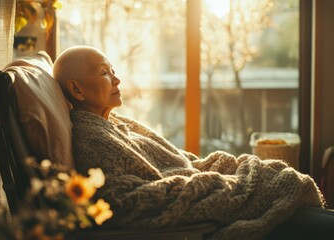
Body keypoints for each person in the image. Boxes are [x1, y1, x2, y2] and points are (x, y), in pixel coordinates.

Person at [53, 46, 332, 240]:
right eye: (104, 72)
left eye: (113, 69)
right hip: (206, 224)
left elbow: (179, 160)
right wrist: (225, 184)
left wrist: (225, 169)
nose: (117, 78)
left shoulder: (116, 123)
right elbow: (125, 201)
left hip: (212, 192)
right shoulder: (91, 139)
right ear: (77, 89)